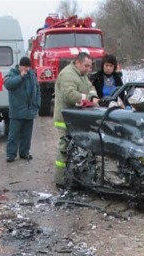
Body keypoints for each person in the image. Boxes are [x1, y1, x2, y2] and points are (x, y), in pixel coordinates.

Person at [53, 52, 99, 187]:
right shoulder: (68, 74)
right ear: (77, 63)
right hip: (65, 120)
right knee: (65, 149)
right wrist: (89, 98)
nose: (89, 69)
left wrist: (92, 96)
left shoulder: (82, 75)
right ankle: (61, 180)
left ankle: (75, 178)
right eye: (86, 66)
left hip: (76, 120)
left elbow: (91, 88)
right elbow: (70, 95)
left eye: (90, 66)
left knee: (77, 150)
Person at [4, 57, 40, 162]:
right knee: (14, 134)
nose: (27, 69)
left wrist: (37, 103)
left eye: (28, 67)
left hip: (30, 110)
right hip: (17, 111)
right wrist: (20, 76)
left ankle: (24, 152)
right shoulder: (12, 73)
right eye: (25, 67)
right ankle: (11, 154)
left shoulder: (32, 75)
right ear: (20, 66)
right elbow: (8, 84)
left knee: (27, 134)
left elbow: (37, 89)